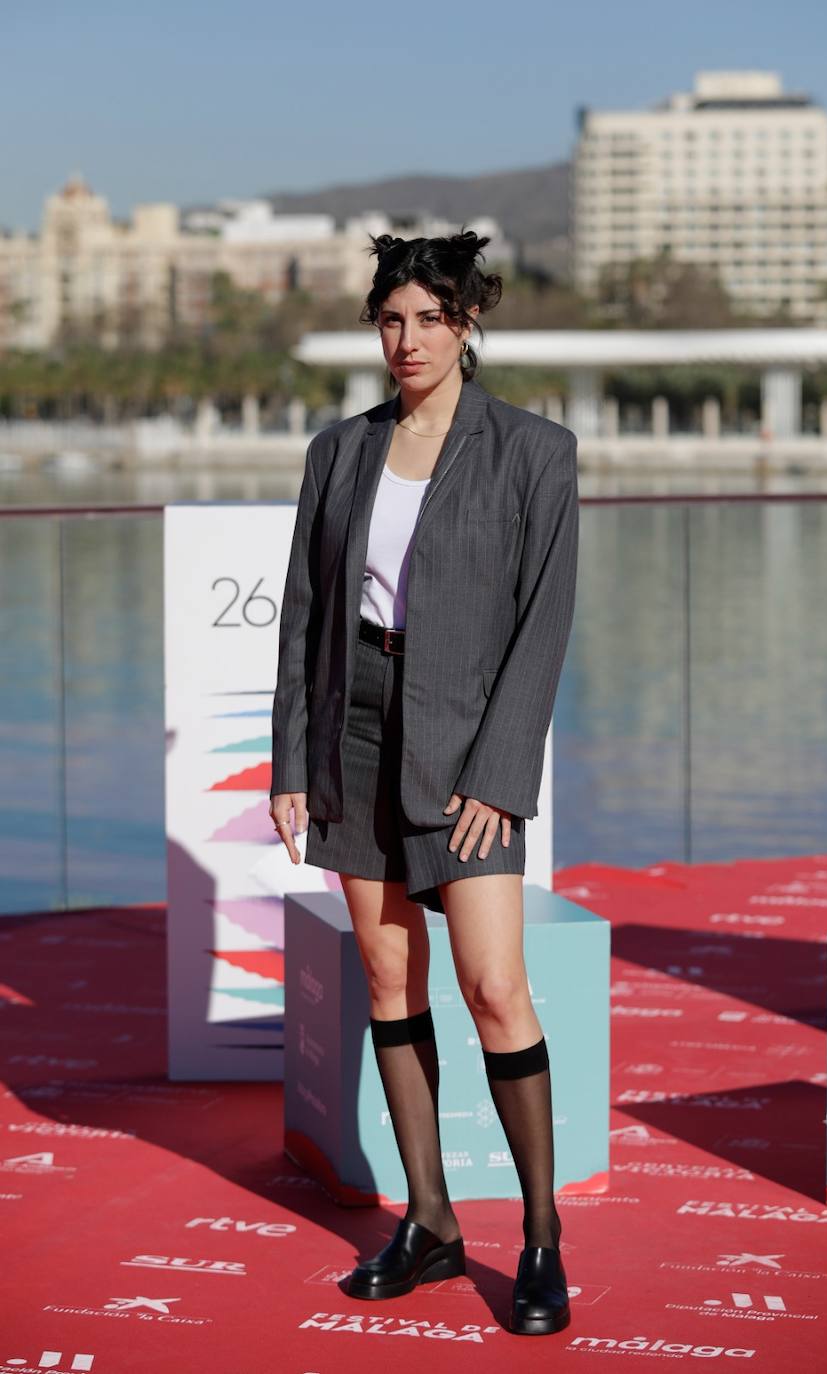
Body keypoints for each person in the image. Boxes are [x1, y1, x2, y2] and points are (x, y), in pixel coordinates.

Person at [269, 229, 579, 1337]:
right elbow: (307, 618)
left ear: (467, 324)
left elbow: (542, 629)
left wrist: (502, 774)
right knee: (391, 987)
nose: (407, 340)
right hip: (354, 739)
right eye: (391, 320)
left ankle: (540, 1239)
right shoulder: (337, 453)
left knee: (495, 988)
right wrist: (294, 763)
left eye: (429, 320)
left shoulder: (533, 453)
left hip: (466, 753)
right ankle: (433, 1222)